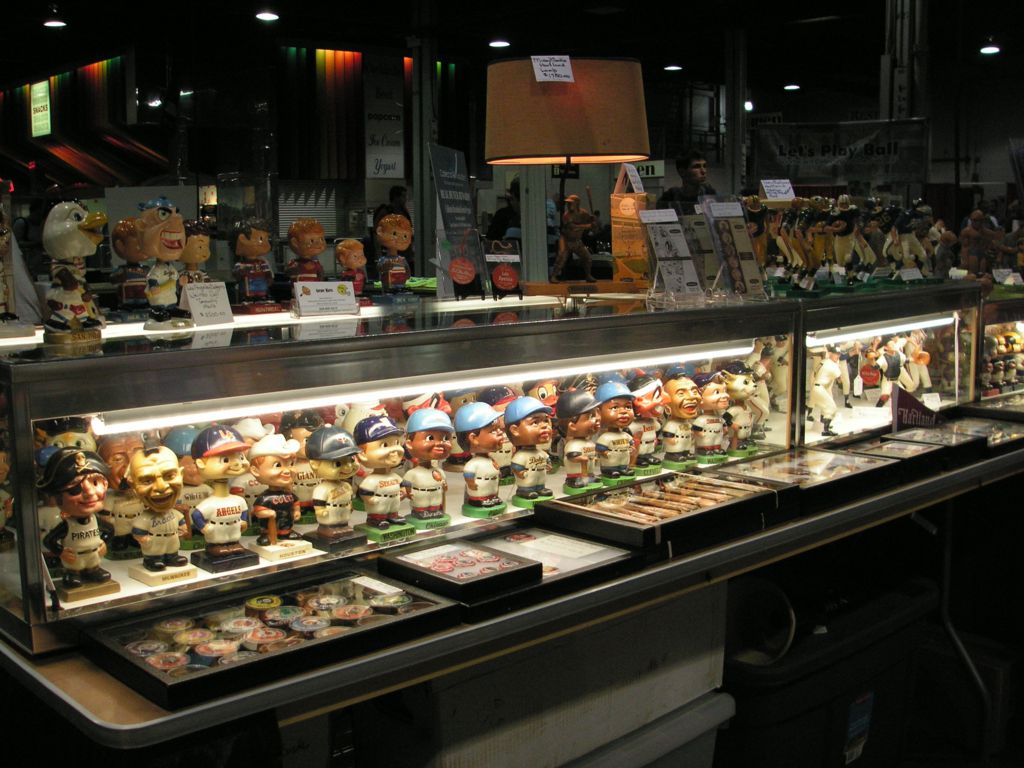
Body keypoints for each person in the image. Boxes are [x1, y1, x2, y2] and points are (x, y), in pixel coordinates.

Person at [657, 150, 717, 214]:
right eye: (696, 167)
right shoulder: (670, 197)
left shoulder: (710, 194)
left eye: (704, 166)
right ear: (682, 172)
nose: (703, 171)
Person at [372, 185, 413, 259]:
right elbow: (376, 234)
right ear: (396, 197)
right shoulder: (386, 212)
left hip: (406, 254)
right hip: (390, 254)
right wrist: (379, 255)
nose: (406, 199)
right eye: (403, 196)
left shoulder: (404, 212)